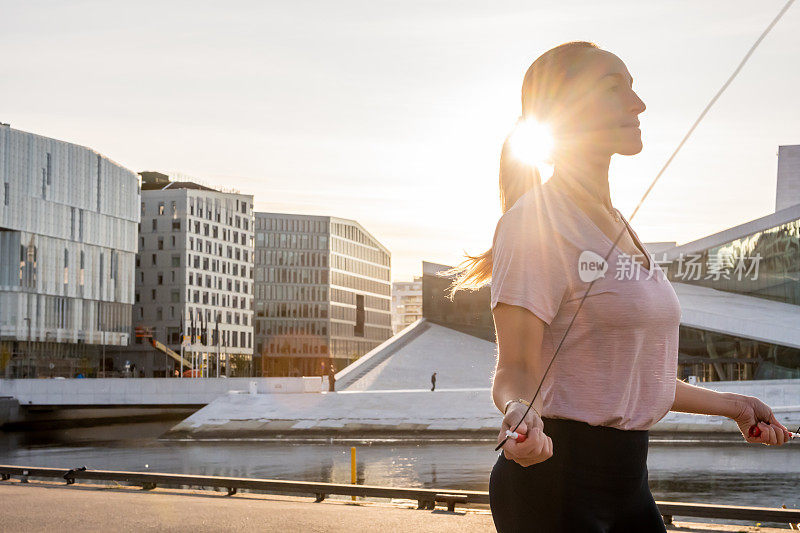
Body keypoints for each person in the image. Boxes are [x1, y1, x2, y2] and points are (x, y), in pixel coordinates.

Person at [442, 41, 794, 532]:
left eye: (633, 88)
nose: (638, 103)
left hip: (629, 485)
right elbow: (517, 368)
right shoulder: (534, 224)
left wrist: (737, 406)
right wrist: (521, 412)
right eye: (616, 88)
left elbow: (633, 382)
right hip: (549, 486)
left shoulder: (620, 225)